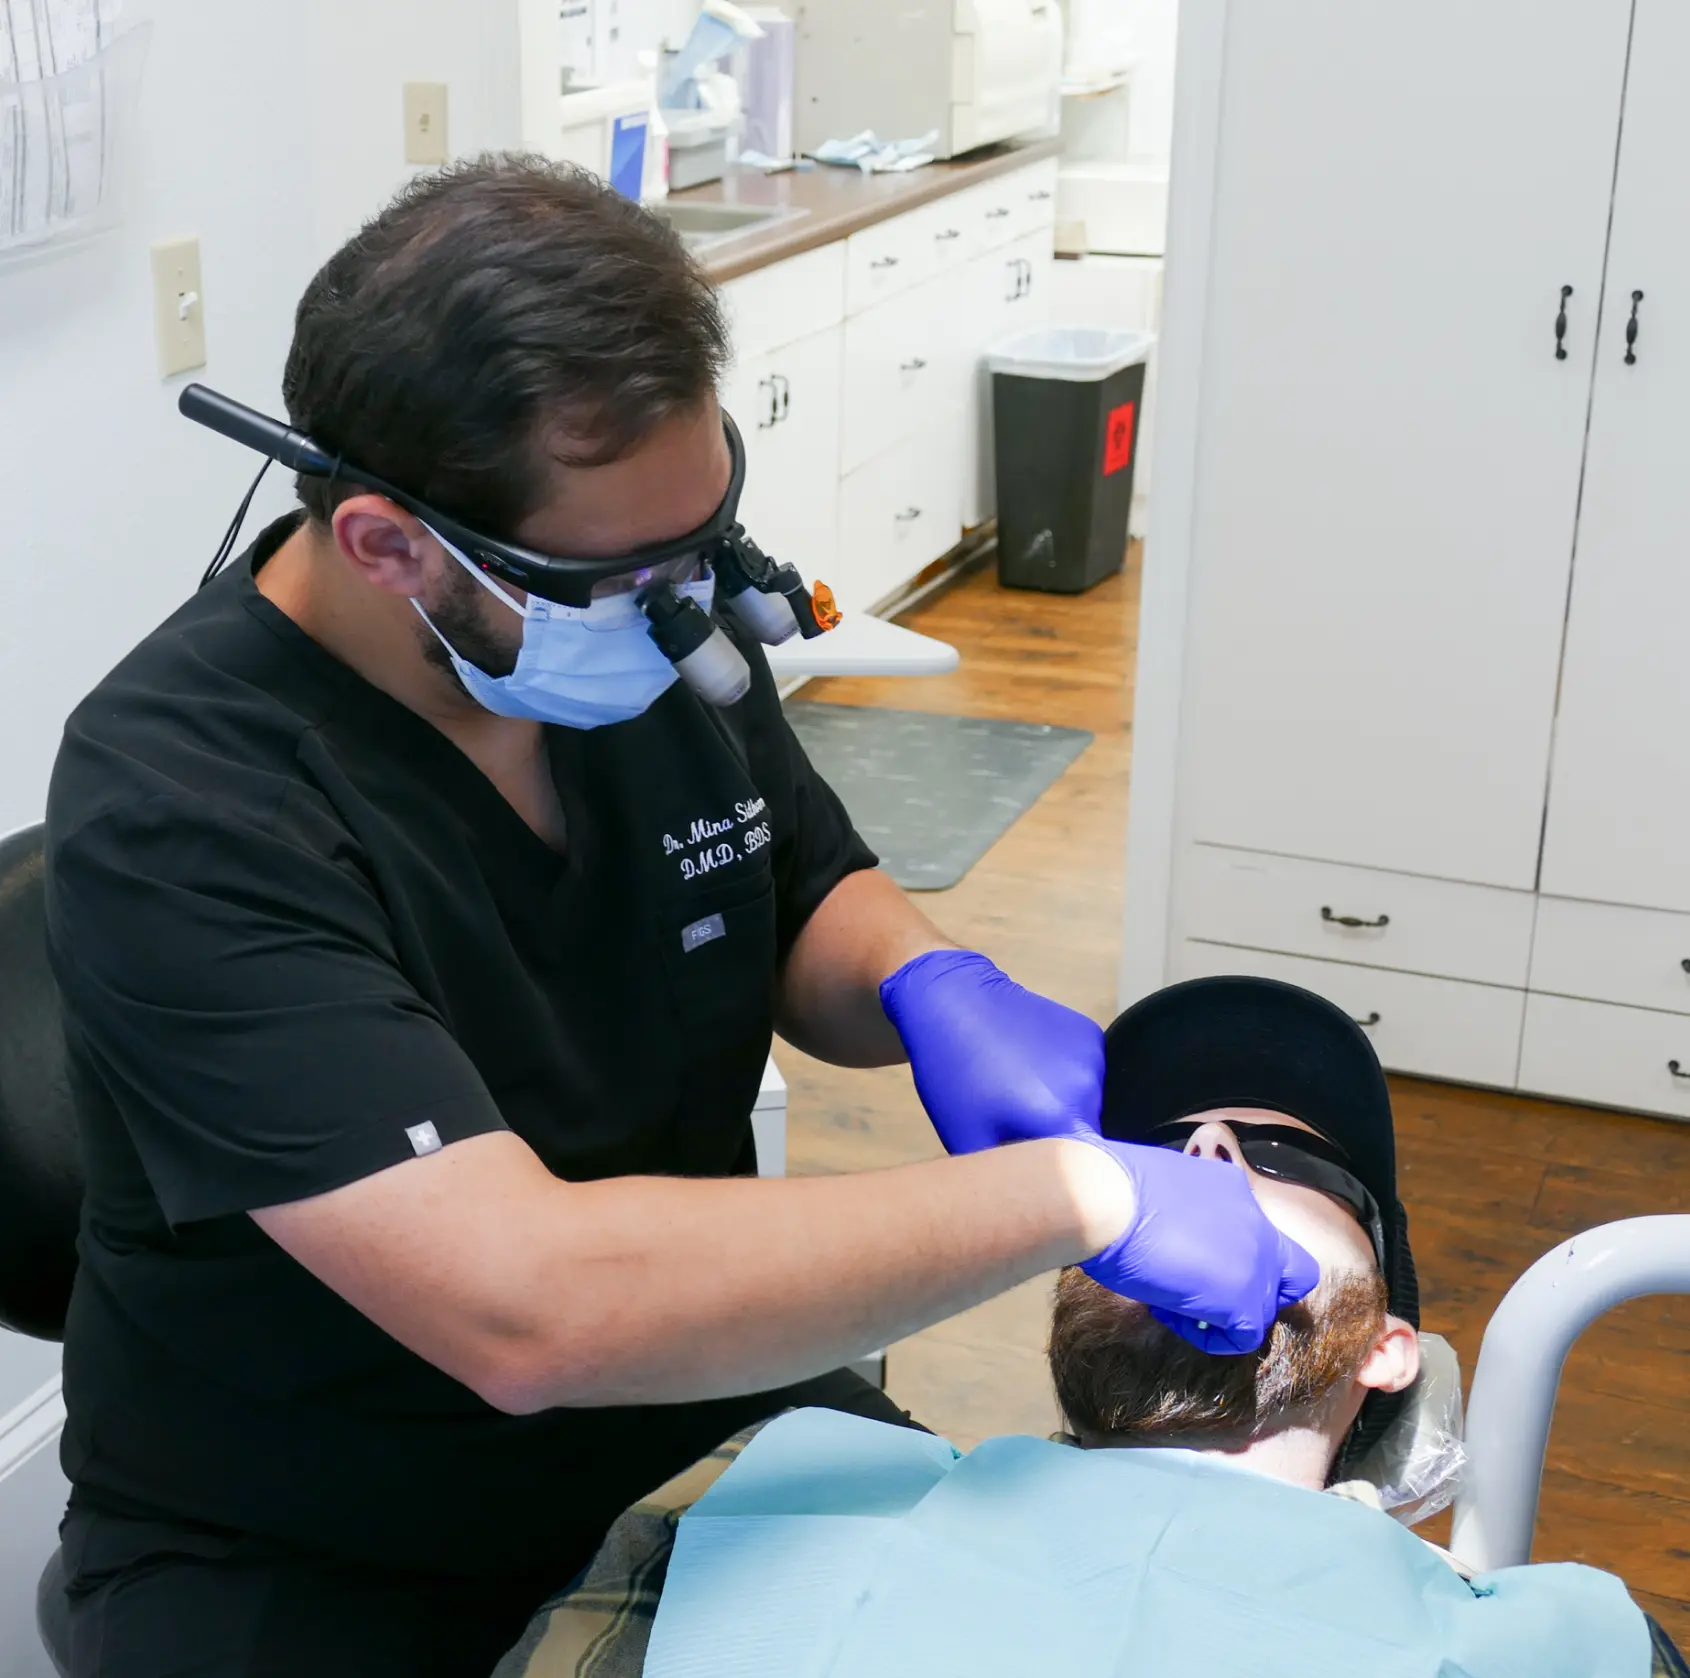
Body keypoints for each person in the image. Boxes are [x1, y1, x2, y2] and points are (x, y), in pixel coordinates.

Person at [40, 156, 1316, 1678]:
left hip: (712, 1420)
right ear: (391, 543)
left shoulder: (625, 633)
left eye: (706, 536)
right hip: (326, 1543)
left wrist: (921, 977)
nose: (695, 608)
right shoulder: (183, 796)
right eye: (636, 572)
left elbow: (800, 892)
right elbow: (526, 1313)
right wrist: (1076, 1199)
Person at [631, 977, 1673, 1678]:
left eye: (1281, 1157)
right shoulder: (772, 1493)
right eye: (1152, 1163)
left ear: (1385, 1347)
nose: (1208, 1153)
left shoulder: (1561, 1646)